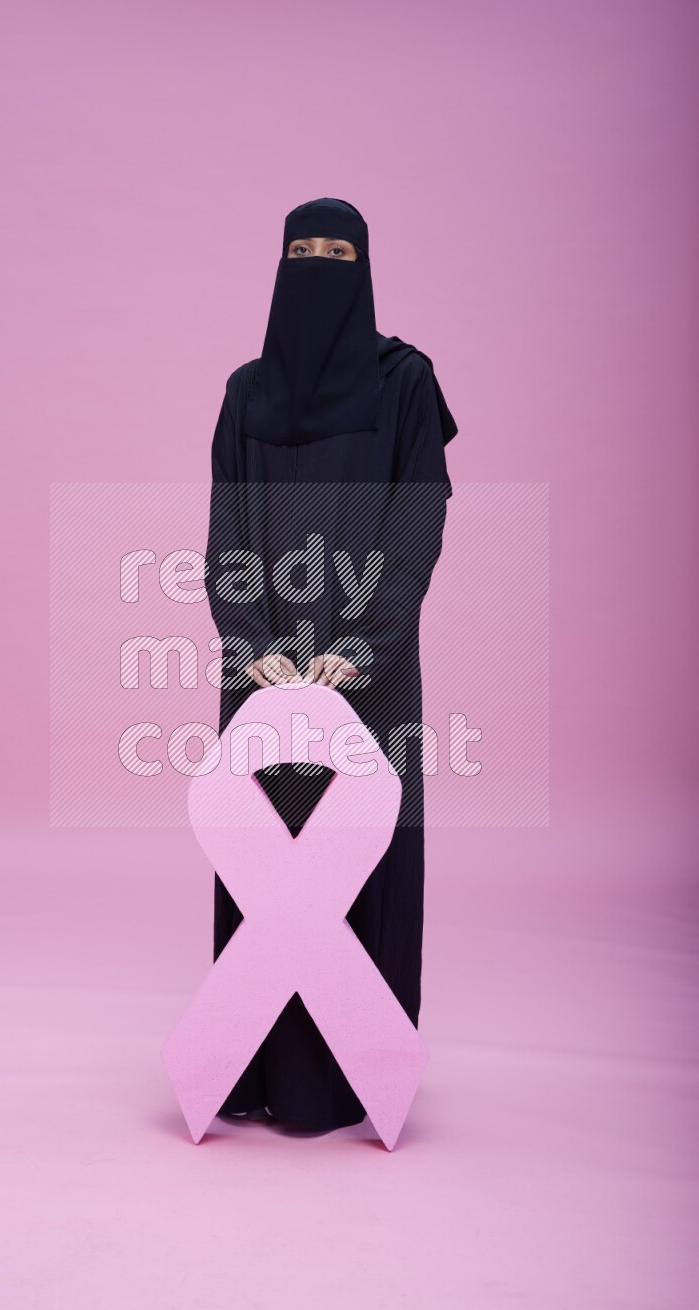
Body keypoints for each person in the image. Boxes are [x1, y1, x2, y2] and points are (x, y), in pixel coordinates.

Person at [205, 197, 458, 1133]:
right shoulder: (245, 392)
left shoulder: (405, 384)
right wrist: (255, 646)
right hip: (263, 673)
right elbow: (226, 528)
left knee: (363, 861)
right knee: (263, 859)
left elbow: (417, 520)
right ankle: (257, 1069)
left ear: (367, 265)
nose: (317, 267)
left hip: (370, 672)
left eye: (336, 251)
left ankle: (351, 1078)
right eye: (300, 251)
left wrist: (361, 647)